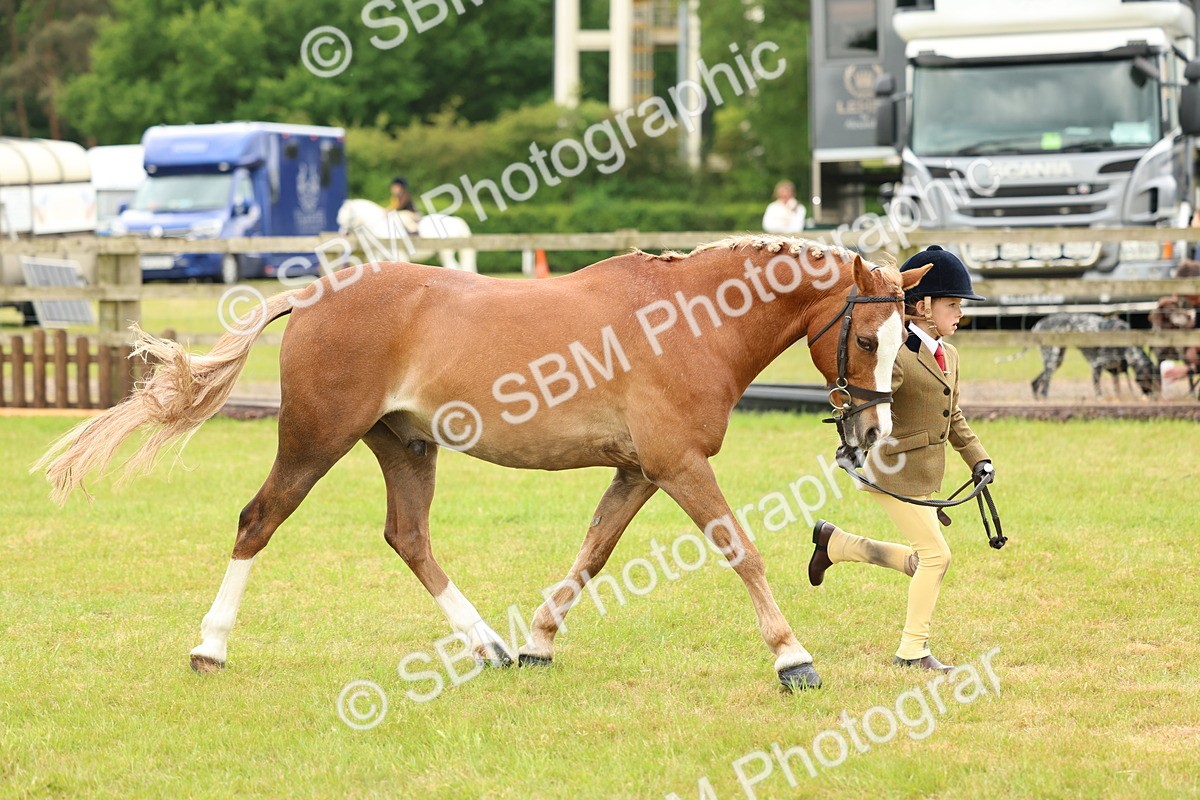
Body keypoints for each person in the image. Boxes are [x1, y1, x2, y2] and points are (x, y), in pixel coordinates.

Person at [807, 245, 994, 673]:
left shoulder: (951, 356)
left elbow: (955, 416)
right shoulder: (897, 356)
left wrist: (978, 460)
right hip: (889, 471)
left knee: (922, 558)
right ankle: (912, 651)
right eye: (953, 304)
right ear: (924, 306)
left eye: (960, 305)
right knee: (936, 557)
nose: (960, 312)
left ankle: (835, 544)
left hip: (920, 474)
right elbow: (862, 393)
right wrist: (852, 441)